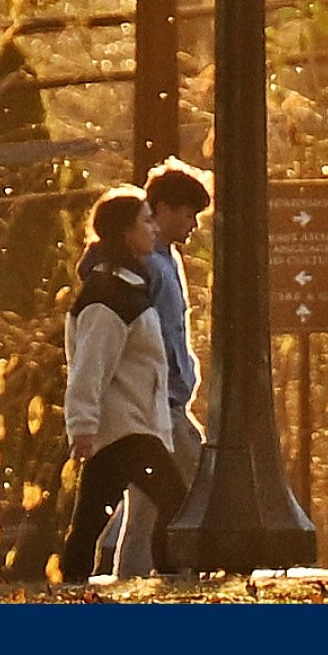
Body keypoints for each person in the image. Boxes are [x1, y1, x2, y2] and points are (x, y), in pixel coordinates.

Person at [58, 185, 190, 583]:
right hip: (125, 427)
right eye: (146, 221)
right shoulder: (108, 296)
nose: (154, 229)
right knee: (176, 503)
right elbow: (88, 366)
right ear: (124, 233)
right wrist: (81, 425)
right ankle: (170, 578)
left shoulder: (129, 287)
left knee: (89, 521)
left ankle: (71, 584)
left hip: (127, 426)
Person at [106, 160, 210, 579]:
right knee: (206, 477)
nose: (193, 225)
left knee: (146, 501)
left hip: (166, 397)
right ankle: (192, 566)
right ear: (162, 209)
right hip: (157, 399)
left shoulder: (167, 260)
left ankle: (127, 575)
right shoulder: (147, 264)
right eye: (188, 214)